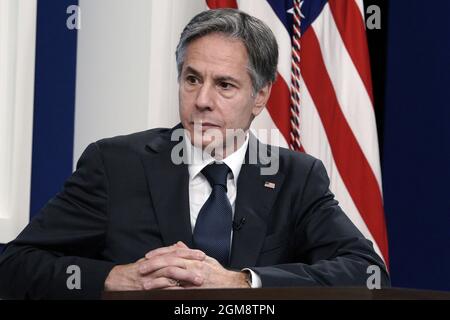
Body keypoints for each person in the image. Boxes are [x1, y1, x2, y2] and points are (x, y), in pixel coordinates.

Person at [0, 8, 389, 299]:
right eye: (191, 79)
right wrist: (114, 276)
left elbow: (367, 273)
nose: (202, 101)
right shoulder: (115, 164)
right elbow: (13, 267)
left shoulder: (296, 177)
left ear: (260, 96)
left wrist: (242, 281)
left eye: (224, 85)